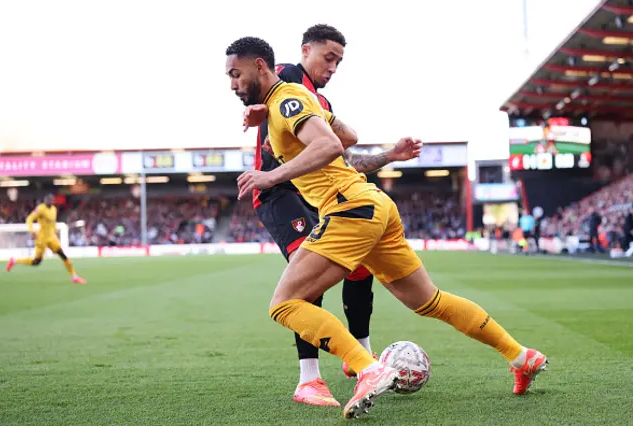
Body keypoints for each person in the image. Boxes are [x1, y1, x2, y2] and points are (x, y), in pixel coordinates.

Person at [225, 36, 547, 419]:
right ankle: (521, 356)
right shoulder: (296, 98)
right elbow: (348, 137)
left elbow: (329, 146)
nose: (232, 83)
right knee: (429, 300)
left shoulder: (287, 100)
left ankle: (367, 367)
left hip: (349, 209)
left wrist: (270, 174)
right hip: (375, 207)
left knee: (284, 304)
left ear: (260, 66)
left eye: (235, 74)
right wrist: (273, 119)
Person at [246, 24, 420, 407]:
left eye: (339, 61)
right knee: (307, 277)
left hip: (318, 197)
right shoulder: (291, 78)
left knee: (358, 267)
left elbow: (346, 158)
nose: (334, 67)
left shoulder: (319, 104)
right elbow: (257, 85)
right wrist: (256, 108)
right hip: (278, 194)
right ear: (305, 51)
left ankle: (359, 356)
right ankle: (309, 379)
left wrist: (390, 156)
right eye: (329, 57)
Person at [7, 194, 87, 284]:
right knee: (36, 262)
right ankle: (14, 260)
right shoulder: (40, 209)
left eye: (50, 200)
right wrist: (32, 231)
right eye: (47, 200)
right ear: (45, 200)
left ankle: (74, 277)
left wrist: (56, 233)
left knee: (63, 255)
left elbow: (53, 224)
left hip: (52, 237)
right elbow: (29, 219)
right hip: (41, 238)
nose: (49, 201)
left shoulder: (54, 209)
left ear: (53, 201)